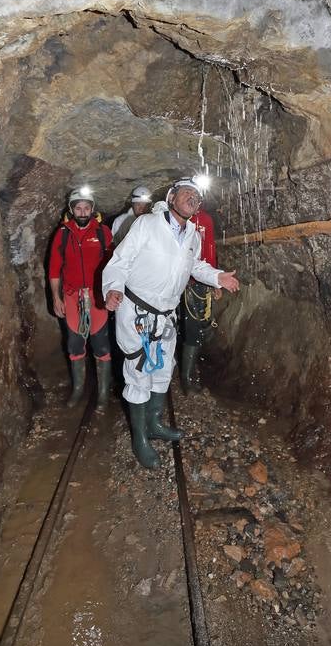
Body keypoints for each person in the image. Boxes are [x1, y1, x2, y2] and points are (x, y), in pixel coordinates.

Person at [102, 177, 240, 469]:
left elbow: (195, 265)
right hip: (137, 313)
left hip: (166, 315)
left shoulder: (193, 234)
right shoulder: (147, 224)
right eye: (187, 193)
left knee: (163, 370)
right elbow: (120, 260)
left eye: (197, 196)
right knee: (138, 374)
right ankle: (140, 439)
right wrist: (112, 288)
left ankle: (154, 424)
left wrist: (217, 277)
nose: (193, 198)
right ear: (172, 197)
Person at [48, 186, 113, 410]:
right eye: (78, 208)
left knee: (101, 343)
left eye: (86, 208)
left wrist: (112, 291)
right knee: (75, 344)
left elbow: (114, 265)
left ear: (92, 209)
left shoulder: (102, 233)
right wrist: (56, 298)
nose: (83, 212)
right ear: (71, 210)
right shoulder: (63, 234)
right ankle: (78, 389)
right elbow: (54, 269)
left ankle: (103, 393)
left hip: (96, 296)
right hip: (72, 296)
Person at [180, 205, 221, 394]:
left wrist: (214, 281)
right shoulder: (176, 218)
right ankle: (185, 378)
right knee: (186, 327)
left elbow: (210, 250)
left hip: (198, 281)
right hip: (180, 282)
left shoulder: (205, 219)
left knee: (196, 327)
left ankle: (188, 376)